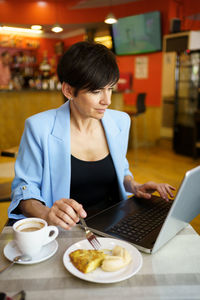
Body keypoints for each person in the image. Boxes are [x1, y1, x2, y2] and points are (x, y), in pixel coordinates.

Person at [8, 41, 175, 230]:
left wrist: (134, 186)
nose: (107, 100)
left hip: (117, 224)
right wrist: (47, 214)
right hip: (67, 229)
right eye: (96, 91)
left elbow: (121, 170)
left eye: (110, 88)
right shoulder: (39, 128)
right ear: (69, 90)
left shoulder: (120, 122)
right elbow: (24, 190)